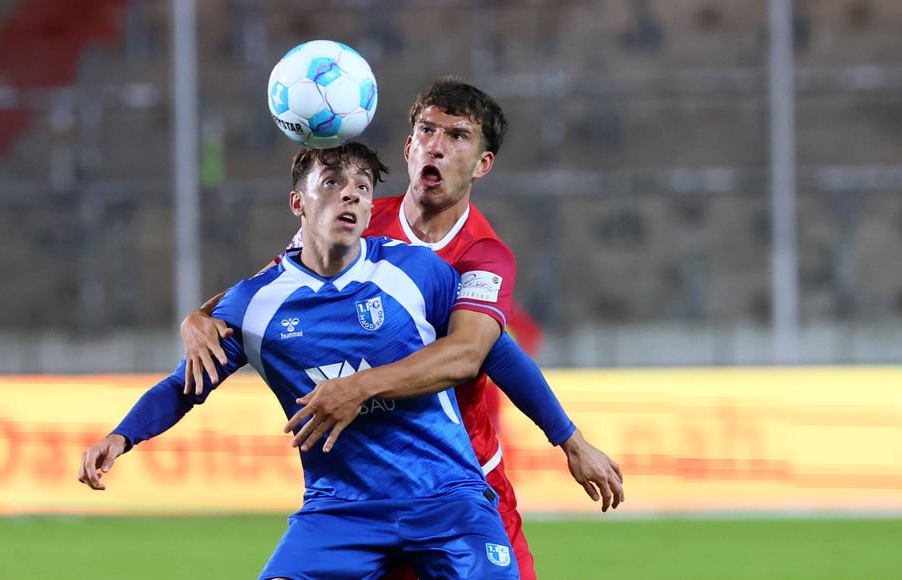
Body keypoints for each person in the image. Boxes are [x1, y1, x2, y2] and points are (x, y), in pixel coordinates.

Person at [180, 77, 625, 579]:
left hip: (463, 484)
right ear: (409, 146)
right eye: (426, 131)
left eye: (457, 136)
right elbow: (274, 281)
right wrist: (202, 314)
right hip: (370, 491)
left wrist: (570, 440)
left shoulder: (482, 256)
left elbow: (472, 354)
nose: (437, 145)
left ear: (483, 164)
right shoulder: (355, 220)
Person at [78, 143, 520, 579]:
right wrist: (121, 436)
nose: (351, 194)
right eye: (331, 183)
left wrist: (567, 438)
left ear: (368, 211)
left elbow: (491, 350)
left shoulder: (416, 272)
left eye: (363, 188)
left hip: (446, 498)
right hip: (341, 512)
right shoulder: (256, 304)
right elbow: (185, 385)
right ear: (298, 203)